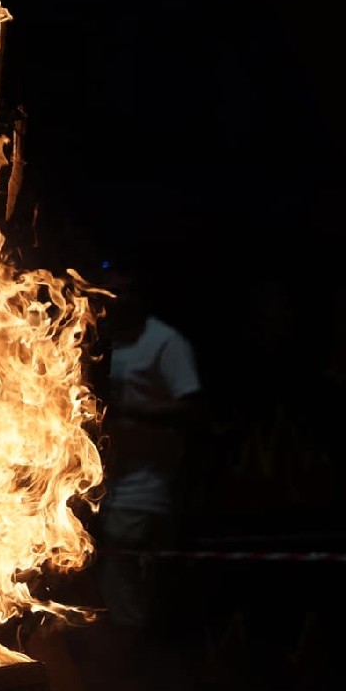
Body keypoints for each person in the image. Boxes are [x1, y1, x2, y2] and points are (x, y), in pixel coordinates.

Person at [94, 271, 203, 641]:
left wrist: (130, 413)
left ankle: (135, 660)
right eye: (110, 291)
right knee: (105, 594)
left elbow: (191, 407)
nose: (115, 299)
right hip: (102, 491)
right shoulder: (102, 341)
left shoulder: (164, 342)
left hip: (145, 491)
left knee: (130, 595)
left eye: (124, 292)